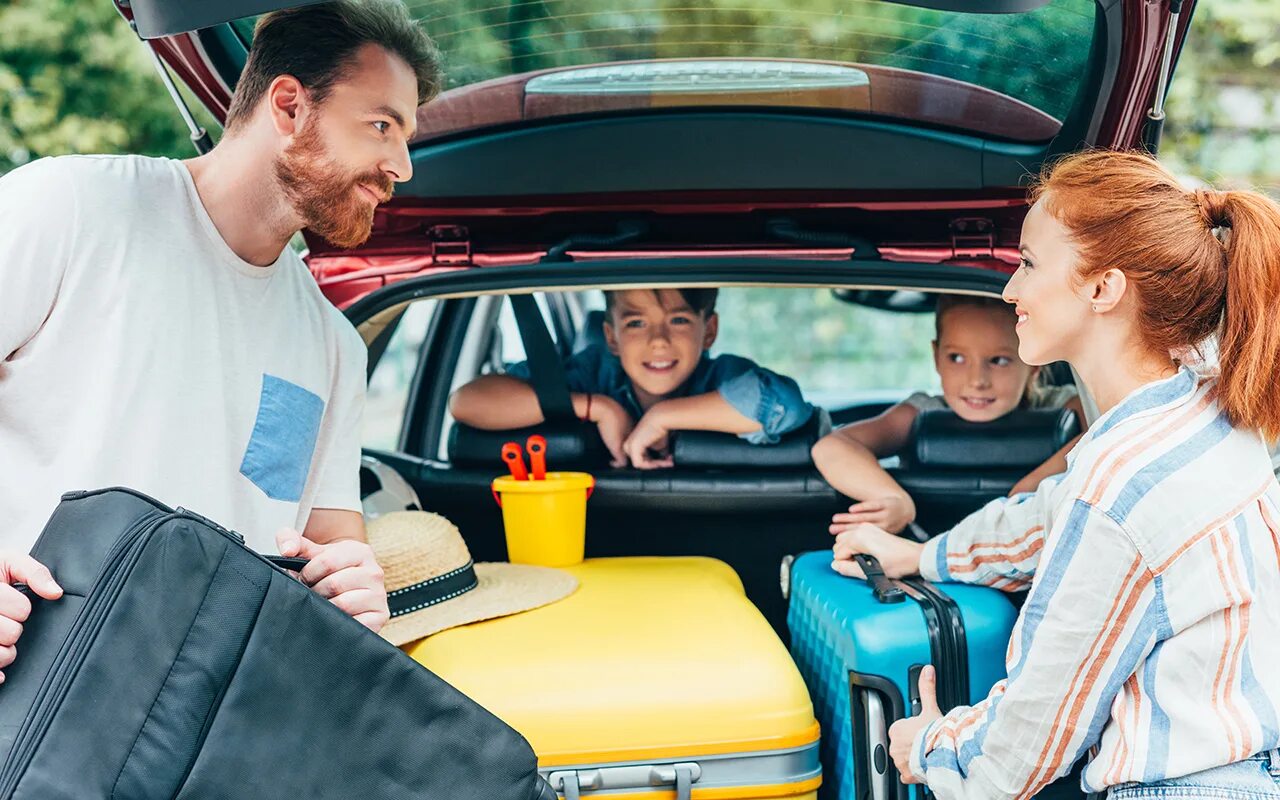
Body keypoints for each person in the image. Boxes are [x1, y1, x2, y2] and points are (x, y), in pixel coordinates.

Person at [0, 1, 442, 679]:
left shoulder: (332, 347)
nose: (402, 166)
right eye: (382, 125)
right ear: (290, 107)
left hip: (204, 725)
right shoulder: (68, 209)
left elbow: (327, 549)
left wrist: (351, 587)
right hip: (26, 698)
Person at [832, 150, 1280, 798]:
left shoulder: (1122, 485)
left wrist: (923, 745)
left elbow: (1020, 753)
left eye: (1030, 264)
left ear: (1104, 289)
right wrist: (922, 556)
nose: (1010, 289)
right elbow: (1048, 519)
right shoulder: (1205, 411)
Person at [450, 287, 814, 469]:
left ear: (709, 331)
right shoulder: (589, 374)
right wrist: (597, 407)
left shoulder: (723, 377)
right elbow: (467, 401)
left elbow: (786, 403)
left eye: (679, 320)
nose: (658, 340)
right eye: (636, 323)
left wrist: (663, 416)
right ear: (611, 337)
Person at [813, 295, 1085, 535]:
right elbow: (832, 447)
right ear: (936, 357)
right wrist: (891, 497)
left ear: (1034, 363)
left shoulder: (1064, 406)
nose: (977, 380)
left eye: (999, 360)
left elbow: (1104, 434)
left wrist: (1025, 493)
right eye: (956, 358)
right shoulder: (923, 410)